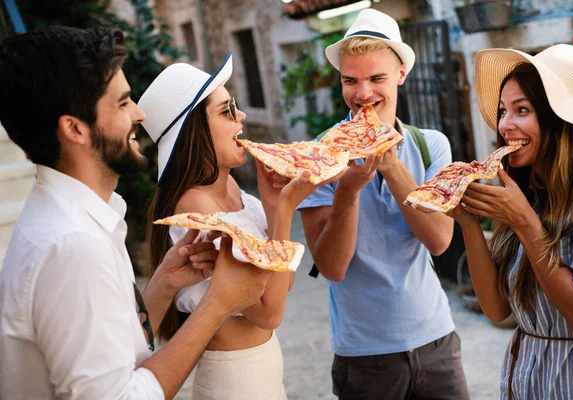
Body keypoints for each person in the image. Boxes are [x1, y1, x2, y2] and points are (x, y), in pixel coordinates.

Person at [0, 26, 274, 400]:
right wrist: (216, 305)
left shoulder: (74, 219)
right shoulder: (73, 246)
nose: (140, 114)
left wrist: (163, 285)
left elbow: (117, 345)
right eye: (123, 102)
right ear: (75, 129)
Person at [138, 53, 344, 400]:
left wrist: (274, 201)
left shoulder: (232, 188)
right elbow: (269, 312)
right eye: (226, 111)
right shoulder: (196, 206)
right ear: (196, 132)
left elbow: (284, 282)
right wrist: (288, 206)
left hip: (260, 369)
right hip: (234, 379)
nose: (242, 116)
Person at [297, 8, 469, 400]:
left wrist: (391, 165)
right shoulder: (319, 155)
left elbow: (440, 241)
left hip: (437, 340)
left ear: (401, 76)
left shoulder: (431, 145)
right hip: (364, 354)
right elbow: (332, 267)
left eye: (377, 78)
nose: (363, 94)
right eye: (350, 81)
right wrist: (348, 190)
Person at [413, 44, 573, 400]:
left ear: (561, 121)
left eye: (522, 110)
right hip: (526, 380)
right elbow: (497, 308)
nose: (504, 125)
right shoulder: (526, 190)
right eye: (502, 111)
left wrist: (524, 223)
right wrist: (468, 224)